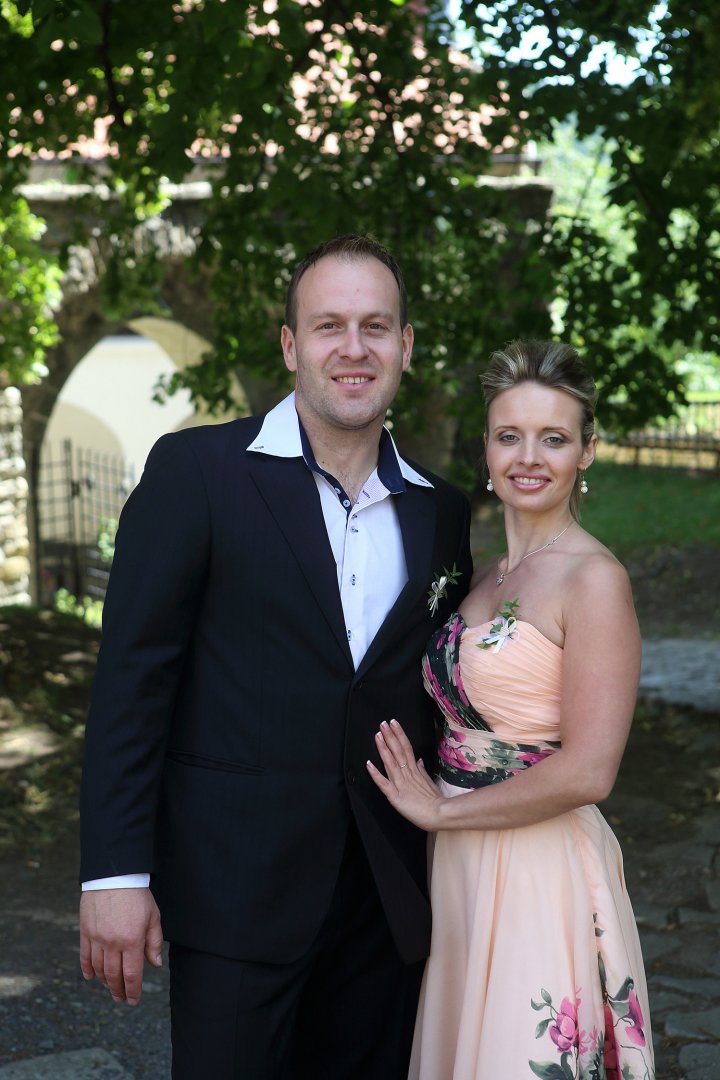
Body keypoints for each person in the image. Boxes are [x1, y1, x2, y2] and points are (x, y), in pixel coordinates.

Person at [78, 234, 472, 1079]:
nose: (353, 347)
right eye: (329, 326)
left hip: (386, 904)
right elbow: (132, 684)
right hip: (234, 895)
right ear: (291, 345)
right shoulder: (198, 473)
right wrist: (114, 874)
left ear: (405, 346)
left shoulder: (440, 511)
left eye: (376, 326)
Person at [368, 339, 655, 1079]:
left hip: (536, 866)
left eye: (553, 438)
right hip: (459, 866)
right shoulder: (483, 575)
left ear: (587, 451)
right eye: (510, 436)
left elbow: (589, 771)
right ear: (488, 449)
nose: (529, 458)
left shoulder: (593, 581)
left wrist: (441, 811)